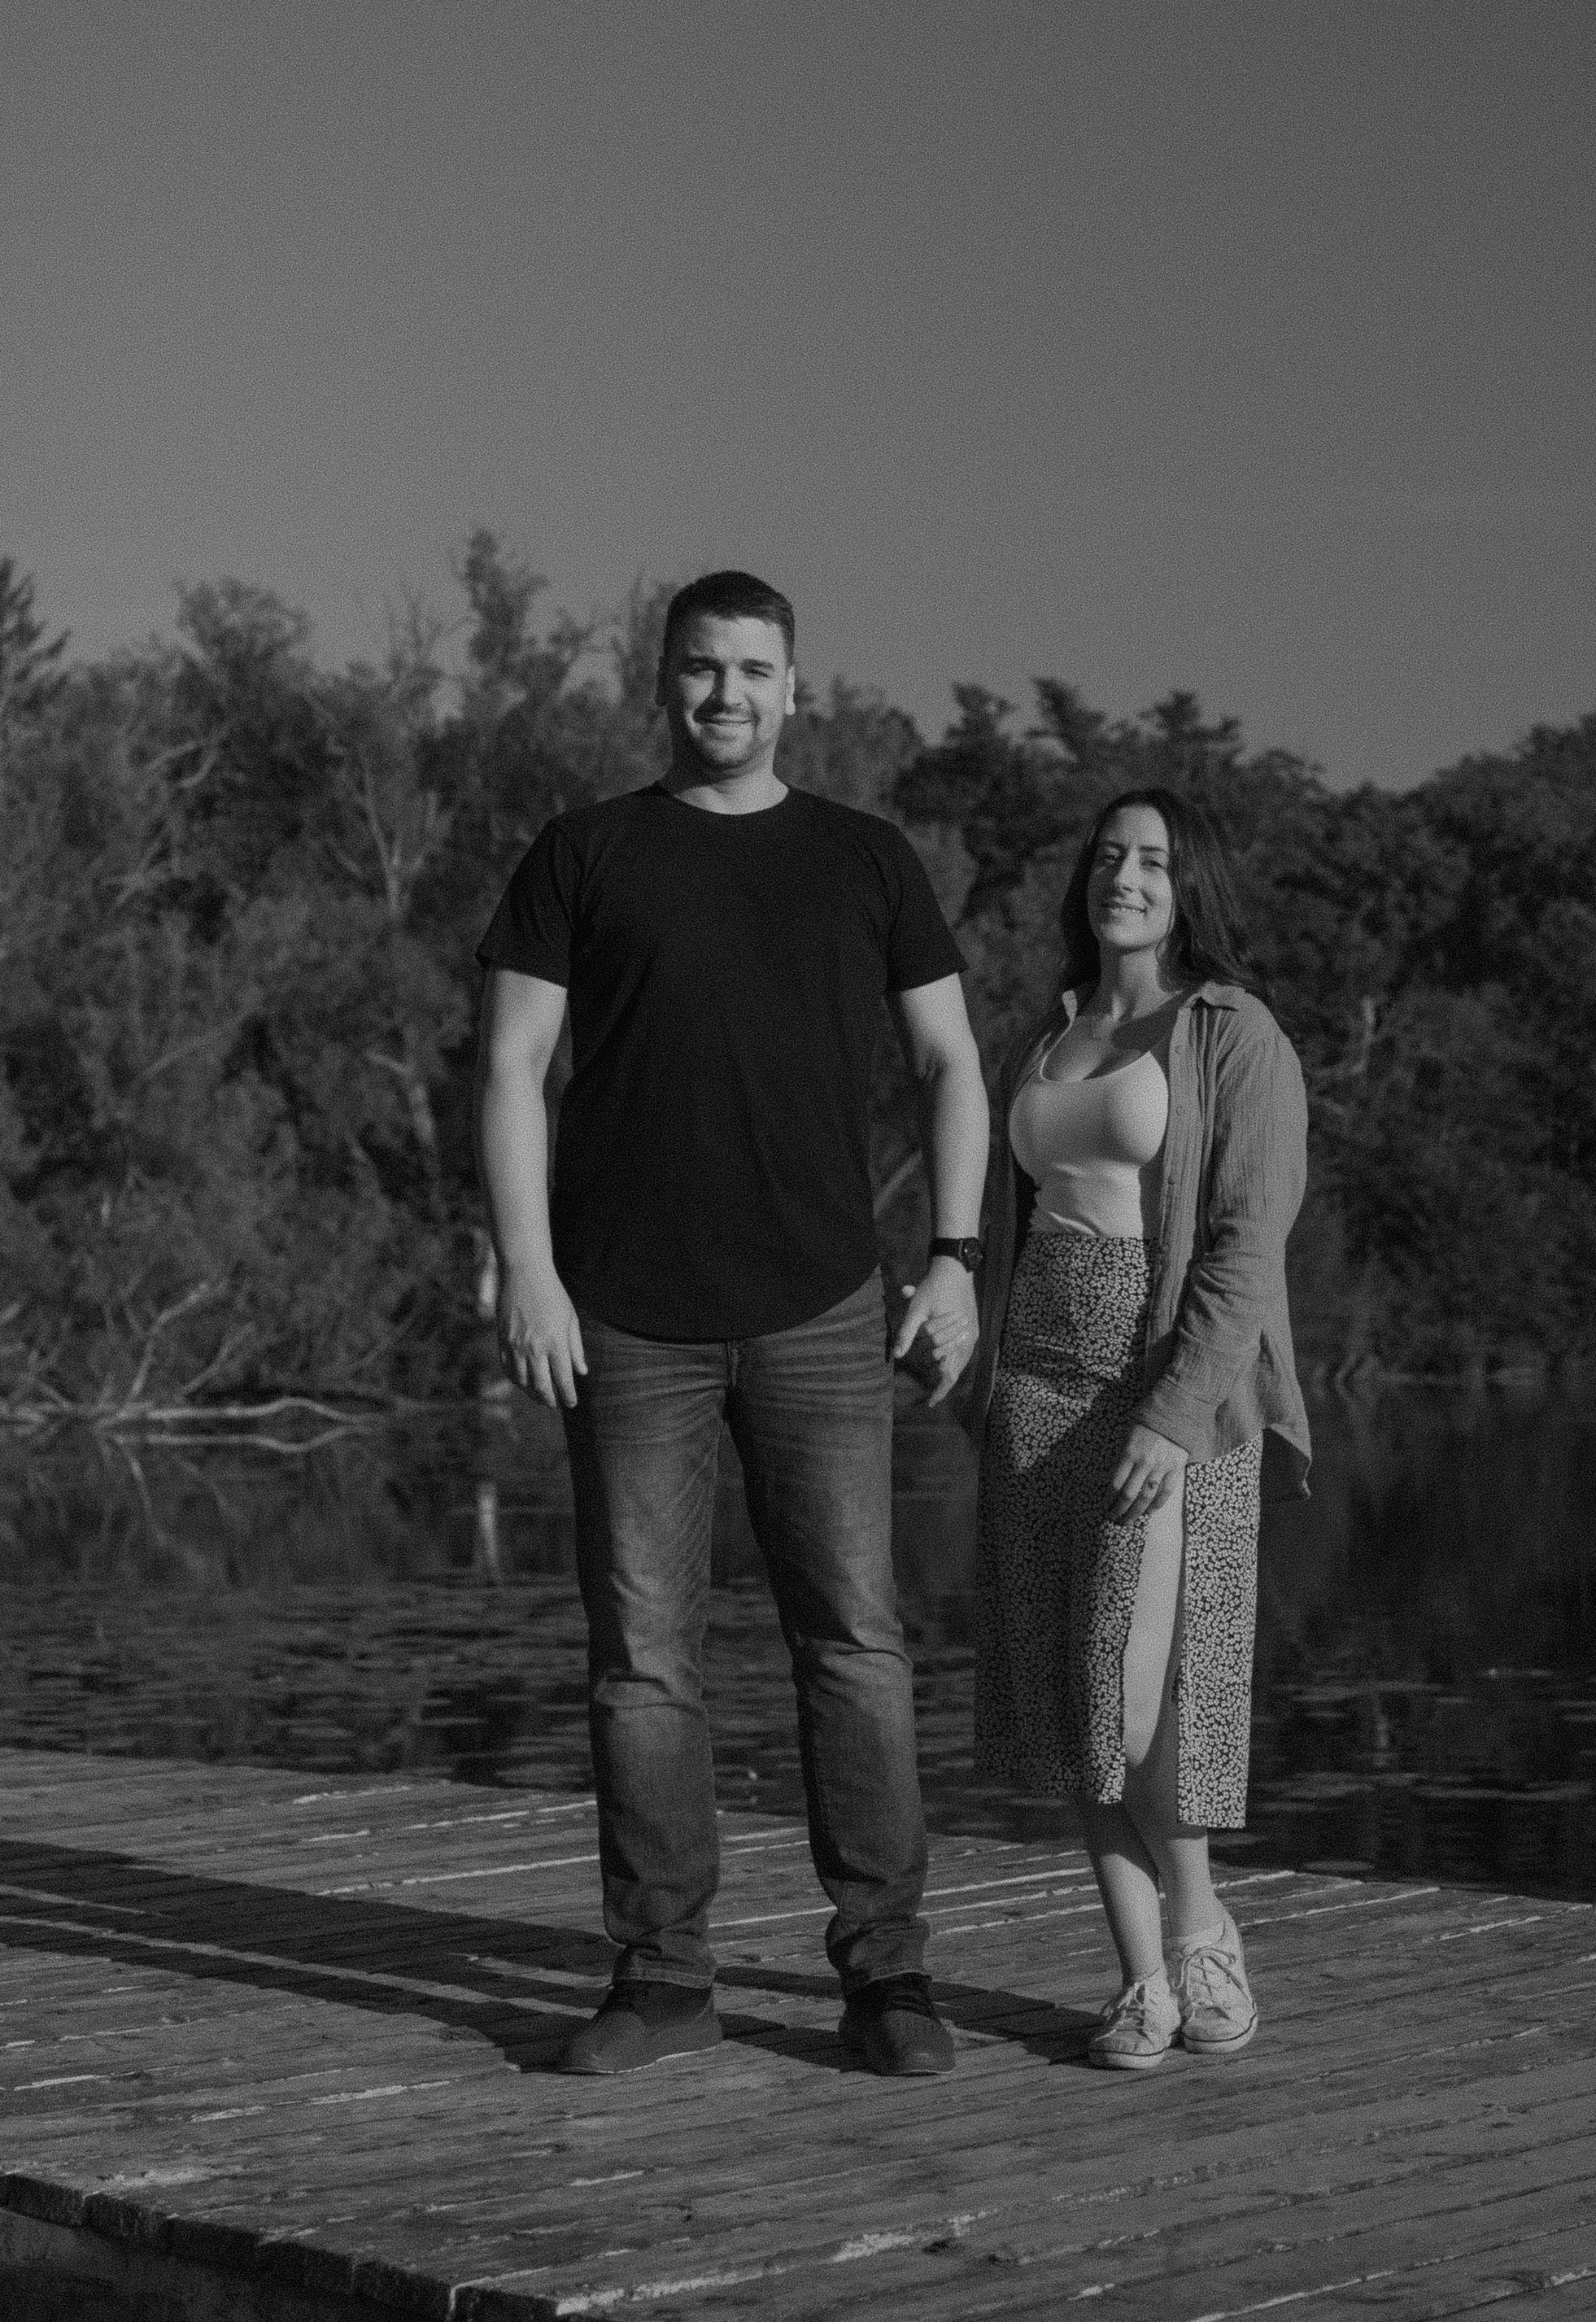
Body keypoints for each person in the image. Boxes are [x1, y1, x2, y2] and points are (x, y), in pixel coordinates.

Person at [474, 570, 989, 2077]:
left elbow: (955, 1062)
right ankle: (662, 1975)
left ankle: (888, 1977)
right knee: (642, 1656)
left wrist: (954, 1257)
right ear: (663, 680)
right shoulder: (586, 854)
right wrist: (530, 1267)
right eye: (702, 670)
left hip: (824, 1306)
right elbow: (513, 1065)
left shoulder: (865, 859)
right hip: (624, 1313)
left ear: (792, 686)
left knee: (859, 1645)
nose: (727, 696)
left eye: (754, 671)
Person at [966, 785, 1309, 2069]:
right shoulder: (1049, 1034)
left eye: (1154, 860)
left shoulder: (1231, 1034)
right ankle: (1139, 1981)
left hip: (1161, 1378)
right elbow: (1016, 1212)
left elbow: (1245, 1246)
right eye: (1110, 856)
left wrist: (1172, 1413)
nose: (1126, 876)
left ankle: (1203, 1922)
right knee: (1071, 1697)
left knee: (1134, 1685)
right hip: (1037, 1382)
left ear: (1190, 885)